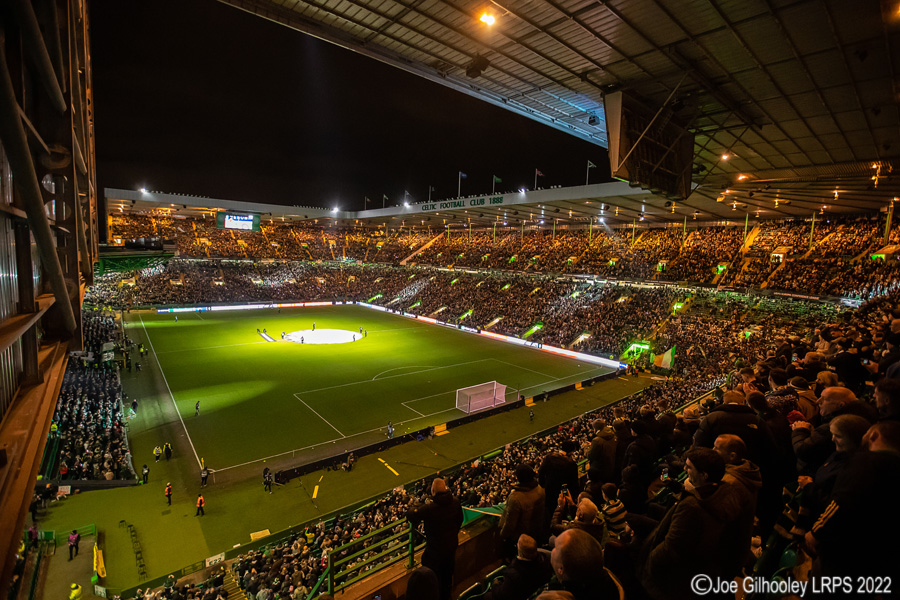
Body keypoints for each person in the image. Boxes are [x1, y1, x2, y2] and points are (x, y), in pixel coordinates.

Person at [406, 478, 463, 600]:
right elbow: (459, 521)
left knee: (432, 581)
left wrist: (414, 507)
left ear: (433, 491)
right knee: (447, 580)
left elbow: (411, 515)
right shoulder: (455, 502)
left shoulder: (429, 509)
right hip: (450, 549)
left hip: (434, 553)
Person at [548, 529, 618, 600]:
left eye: (555, 547)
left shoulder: (554, 595)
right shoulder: (607, 582)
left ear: (561, 569)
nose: (553, 549)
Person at [487, 534, 553, 600]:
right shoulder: (544, 560)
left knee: (487, 596)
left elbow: (503, 595)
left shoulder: (513, 574)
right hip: (534, 592)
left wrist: (495, 585)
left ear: (521, 552)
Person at [499, 465, 545, 549]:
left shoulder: (515, 498)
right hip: (537, 532)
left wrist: (502, 535)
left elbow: (510, 524)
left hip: (521, 537)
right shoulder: (540, 489)